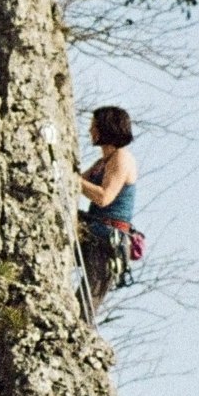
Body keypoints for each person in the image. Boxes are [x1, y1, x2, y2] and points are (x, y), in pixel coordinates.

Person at [75, 104, 139, 306]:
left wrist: (73, 180)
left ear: (106, 128)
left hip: (108, 239)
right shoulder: (103, 162)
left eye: (94, 126)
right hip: (96, 231)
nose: (90, 131)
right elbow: (78, 183)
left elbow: (104, 198)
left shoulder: (121, 159)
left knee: (86, 303)